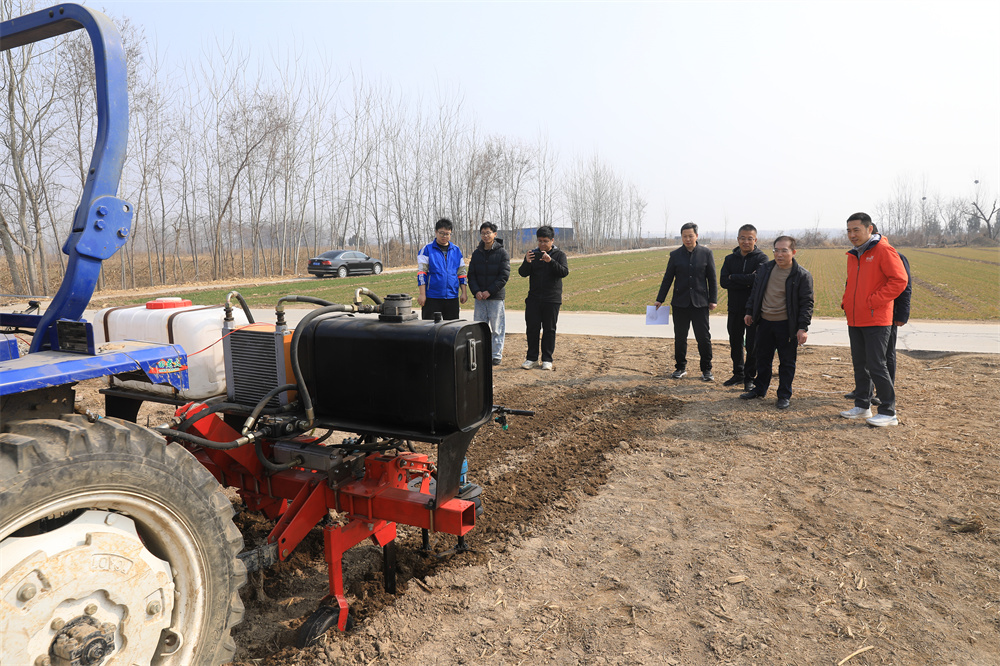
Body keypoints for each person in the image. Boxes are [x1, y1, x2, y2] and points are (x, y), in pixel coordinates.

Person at [839, 213, 908, 427]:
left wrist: (873, 301)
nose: (852, 235)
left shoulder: (883, 250)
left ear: (870, 230)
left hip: (876, 318)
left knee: (877, 364)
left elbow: (900, 280)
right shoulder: (855, 254)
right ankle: (862, 406)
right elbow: (852, 282)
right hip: (855, 318)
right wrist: (846, 302)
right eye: (849, 231)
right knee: (860, 364)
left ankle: (888, 412)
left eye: (856, 230)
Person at [739, 236, 814, 409]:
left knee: (787, 362)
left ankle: (784, 395)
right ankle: (759, 389)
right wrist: (750, 311)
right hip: (765, 322)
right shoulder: (765, 269)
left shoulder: (801, 275)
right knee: (762, 359)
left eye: (784, 250)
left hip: (786, 326)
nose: (779, 254)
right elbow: (755, 293)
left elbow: (806, 304)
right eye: (776, 250)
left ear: (793, 252)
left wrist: (802, 328)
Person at [654, 222, 718, 381]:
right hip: (680, 303)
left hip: (700, 303)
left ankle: (706, 370)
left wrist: (713, 300)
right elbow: (667, 278)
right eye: (684, 236)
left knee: (703, 337)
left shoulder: (706, 253)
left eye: (690, 236)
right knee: (680, 337)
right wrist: (659, 299)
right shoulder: (675, 255)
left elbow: (712, 279)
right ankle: (680, 367)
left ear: (697, 236)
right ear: (681, 237)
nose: (688, 239)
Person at [719, 224, 768, 391]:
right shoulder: (729, 259)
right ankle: (738, 373)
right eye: (742, 238)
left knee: (752, 345)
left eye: (750, 238)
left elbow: (758, 280)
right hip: (734, 308)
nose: (746, 241)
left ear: (755, 240)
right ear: (737, 239)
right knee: (735, 342)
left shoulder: (762, 258)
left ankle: (749, 377)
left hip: (754, 310)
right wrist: (746, 280)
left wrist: (735, 278)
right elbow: (724, 282)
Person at [518, 225, 570, 371]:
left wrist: (550, 261)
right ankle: (532, 358)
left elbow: (564, 272)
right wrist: (526, 262)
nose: (542, 244)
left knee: (549, 329)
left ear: (552, 240)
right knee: (532, 329)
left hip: (551, 299)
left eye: (545, 241)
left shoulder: (559, 255)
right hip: (534, 299)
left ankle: (547, 359)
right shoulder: (532, 254)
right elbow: (522, 273)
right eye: (539, 241)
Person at [468, 221, 510, 366]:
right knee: (479, 328)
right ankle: (481, 354)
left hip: (495, 298)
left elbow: (503, 276)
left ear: (495, 234)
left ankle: (496, 355)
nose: (485, 236)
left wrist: (489, 291)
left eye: (488, 233)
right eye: (483, 233)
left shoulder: (502, 253)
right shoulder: (476, 253)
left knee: (497, 328)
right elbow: (471, 275)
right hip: (479, 299)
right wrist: (477, 291)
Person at [417, 218, 467, 320]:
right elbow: (422, 273)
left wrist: (464, 292)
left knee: (451, 330)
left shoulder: (456, 250)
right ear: (436, 232)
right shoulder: (427, 250)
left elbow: (461, 273)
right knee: (430, 330)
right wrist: (422, 294)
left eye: (447, 234)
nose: (444, 236)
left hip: (452, 297)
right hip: (432, 297)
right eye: (442, 233)